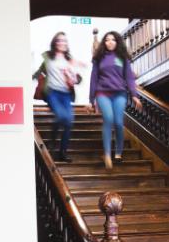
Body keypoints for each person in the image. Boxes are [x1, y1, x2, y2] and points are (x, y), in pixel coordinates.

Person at [89, 31, 143, 170]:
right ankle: (107, 154)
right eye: (107, 40)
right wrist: (91, 99)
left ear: (117, 42)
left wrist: (134, 95)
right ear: (104, 43)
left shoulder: (123, 57)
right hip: (102, 93)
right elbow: (94, 78)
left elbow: (129, 78)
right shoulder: (99, 58)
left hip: (119, 93)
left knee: (118, 123)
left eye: (113, 40)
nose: (110, 42)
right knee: (108, 119)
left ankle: (118, 153)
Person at [34, 32, 84, 162]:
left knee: (69, 122)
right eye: (60, 40)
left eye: (65, 41)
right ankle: (51, 142)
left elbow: (77, 77)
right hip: (52, 92)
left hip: (66, 94)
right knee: (62, 116)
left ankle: (62, 153)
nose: (63, 43)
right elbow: (40, 71)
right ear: (55, 42)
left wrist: (76, 79)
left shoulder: (69, 59)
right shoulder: (48, 57)